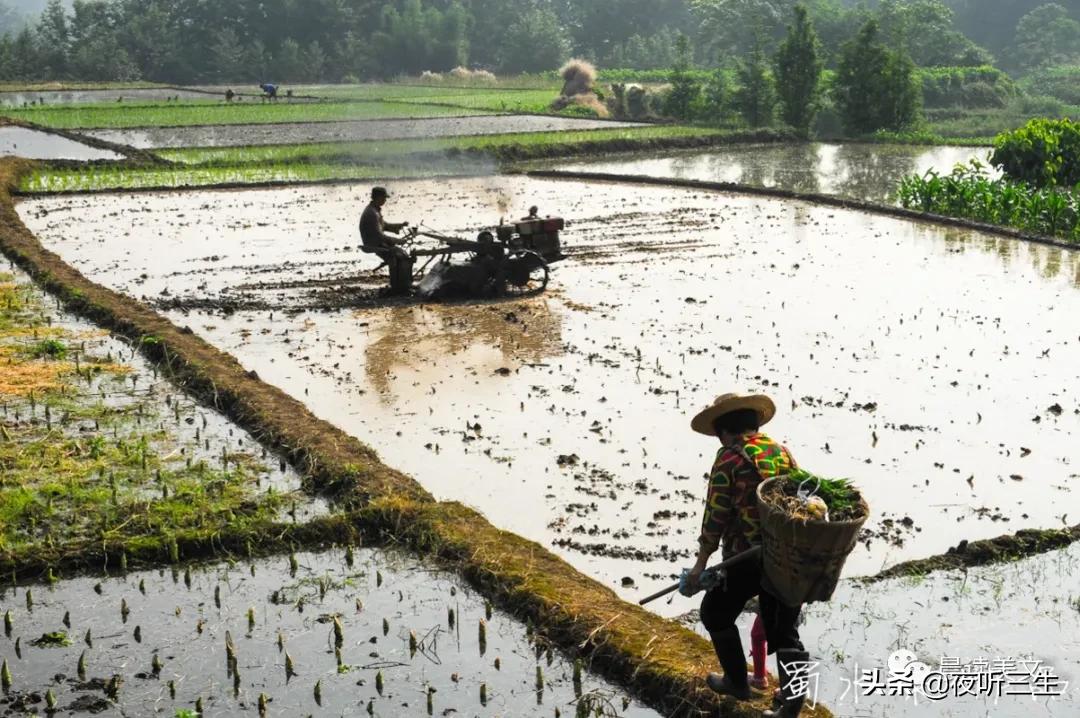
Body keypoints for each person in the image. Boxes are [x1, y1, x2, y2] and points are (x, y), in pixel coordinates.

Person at [685, 392, 810, 718]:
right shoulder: (781, 452)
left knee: (715, 614)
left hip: (746, 558)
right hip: (786, 555)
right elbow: (802, 497)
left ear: (724, 431)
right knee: (784, 631)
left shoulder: (728, 459)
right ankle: (791, 707)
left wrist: (700, 565)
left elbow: (716, 516)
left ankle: (738, 681)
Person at [360, 186, 414, 295]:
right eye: (384, 198)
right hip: (374, 243)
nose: (385, 200)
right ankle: (399, 288)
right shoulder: (372, 214)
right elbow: (380, 235)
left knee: (400, 253)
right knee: (399, 255)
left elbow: (385, 225)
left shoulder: (374, 210)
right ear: (378, 198)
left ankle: (400, 285)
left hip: (376, 241)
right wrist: (398, 241)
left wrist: (400, 225)